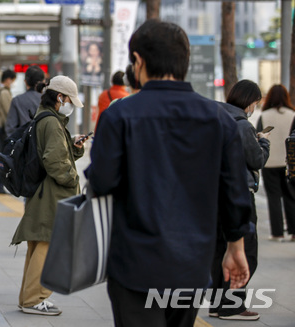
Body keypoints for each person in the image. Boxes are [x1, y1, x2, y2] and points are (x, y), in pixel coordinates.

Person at [87, 20, 253, 327]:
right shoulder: (219, 120)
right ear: (185, 61)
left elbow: (102, 181)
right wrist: (236, 247)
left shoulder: (120, 115)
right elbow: (235, 192)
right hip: (191, 264)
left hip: (134, 264)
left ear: (138, 61)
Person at [11, 76, 86, 316]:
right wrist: (73, 179)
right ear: (60, 98)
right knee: (47, 245)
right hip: (52, 194)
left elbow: (53, 153)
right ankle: (34, 299)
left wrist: (73, 146)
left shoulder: (44, 118)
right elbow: (54, 161)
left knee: (39, 245)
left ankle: (28, 297)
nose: (71, 106)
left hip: (43, 192)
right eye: (69, 100)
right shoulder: (52, 123)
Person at [208, 80, 269, 321]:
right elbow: (256, 160)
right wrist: (263, 141)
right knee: (247, 251)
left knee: (219, 250)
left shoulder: (216, 118)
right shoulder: (242, 125)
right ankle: (232, 306)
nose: (255, 106)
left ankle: (217, 304)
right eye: (256, 102)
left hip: (213, 193)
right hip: (238, 194)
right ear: (250, 101)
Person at [260, 84, 295, 242]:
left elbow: (259, 136)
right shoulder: (292, 114)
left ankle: (277, 232)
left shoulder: (265, 116)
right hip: (289, 163)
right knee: (291, 197)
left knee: (273, 198)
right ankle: (294, 232)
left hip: (270, 162)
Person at [5, 65, 45, 137]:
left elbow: (10, 128)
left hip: (23, 144)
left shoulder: (16, 101)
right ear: (43, 81)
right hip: (44, 145)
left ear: (25, 82)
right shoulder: (48, 100)